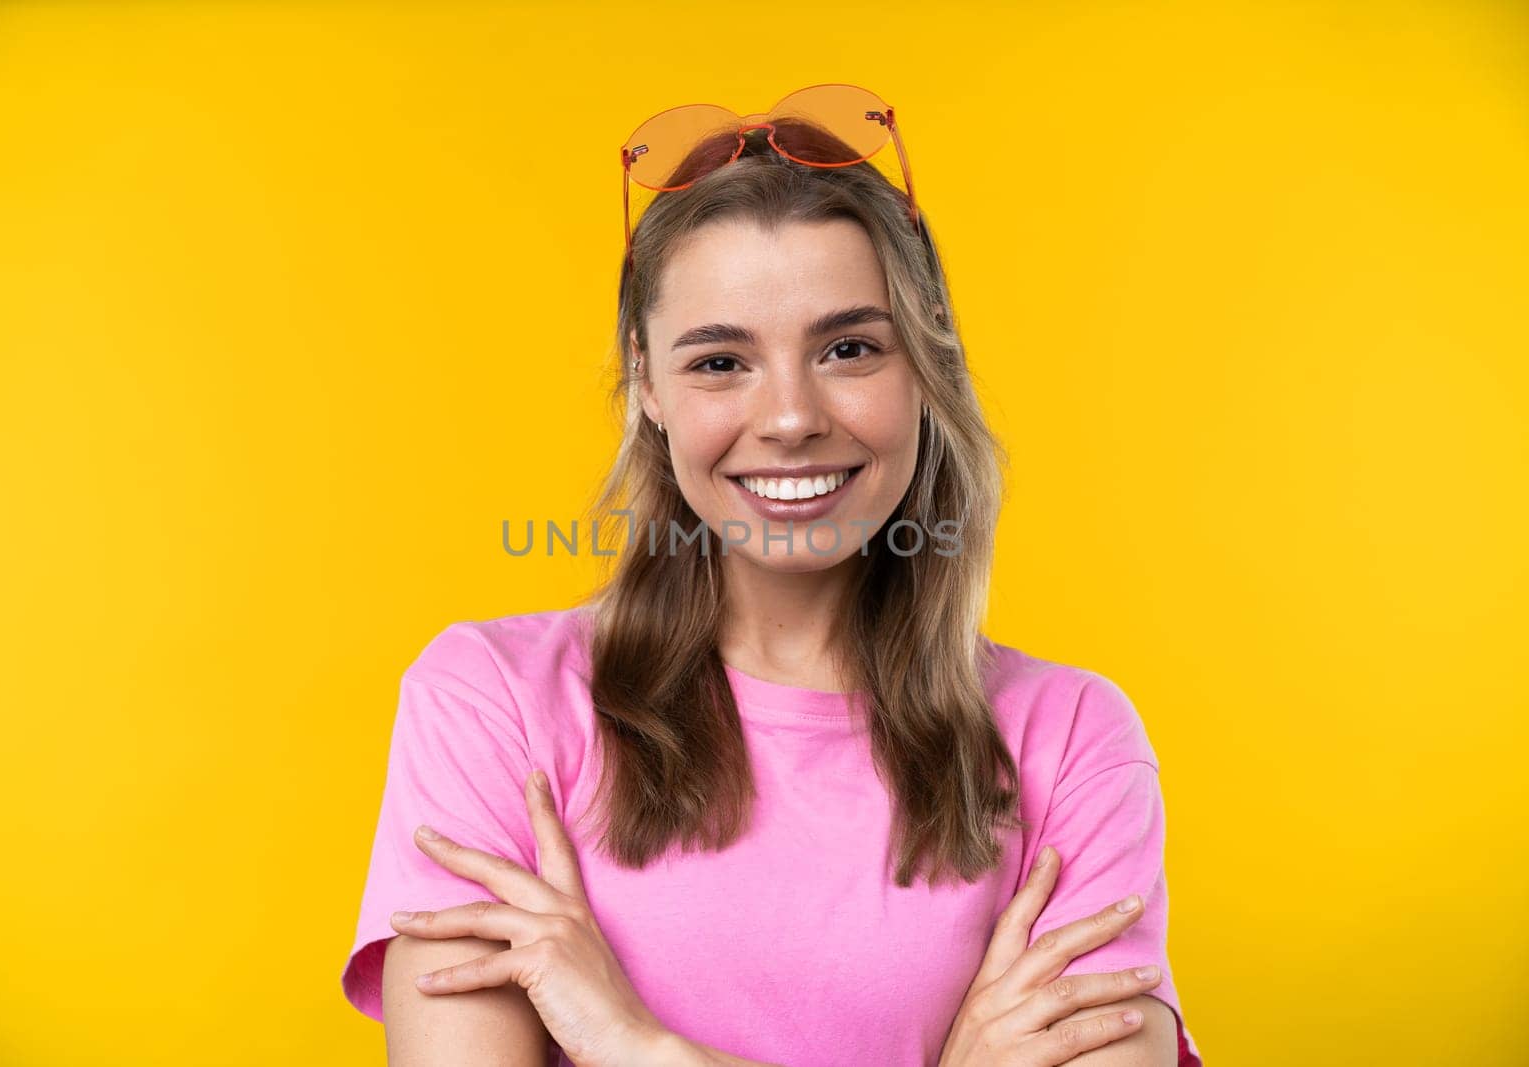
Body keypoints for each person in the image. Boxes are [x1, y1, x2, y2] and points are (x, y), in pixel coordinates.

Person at [341, 86, 1202, 1066]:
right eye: (719, 361)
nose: (791, 416)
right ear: (647, 385)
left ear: (925, 362)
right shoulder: (490, 702)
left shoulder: (1072, 739)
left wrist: (635, 1046)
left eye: (848, 348)